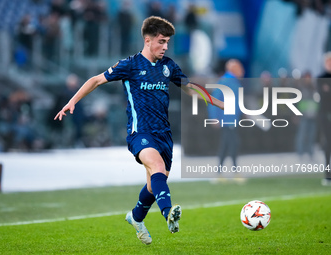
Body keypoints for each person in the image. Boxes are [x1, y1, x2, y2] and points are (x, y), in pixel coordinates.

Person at [54, 16, 224, 245]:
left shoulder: (169, 66)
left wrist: (218, 102)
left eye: (167, 43)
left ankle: (135, 217)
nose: (165, 47)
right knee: (158, 167)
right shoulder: (130, 65)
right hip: (140, 133)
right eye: (161, 42)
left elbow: (191, 88)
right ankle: (168, 214)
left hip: (164, 135)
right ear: (147, 39)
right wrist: (72, 101)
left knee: (155, 183)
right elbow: (95, 80)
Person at [208, 59, 244, 181]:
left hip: (231, 119)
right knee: (231, 144)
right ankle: (232, 172)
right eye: (238, 67)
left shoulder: (233, 82)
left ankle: (220, 173)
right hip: (227, 119)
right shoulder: (225, 81)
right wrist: (214, 118)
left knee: (228, 145)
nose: (241, 70)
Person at [317, 52, 331, 186]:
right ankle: (328, 174)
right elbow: (323, 95)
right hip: (325, 115)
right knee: (328, 143)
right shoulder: (321, 78)